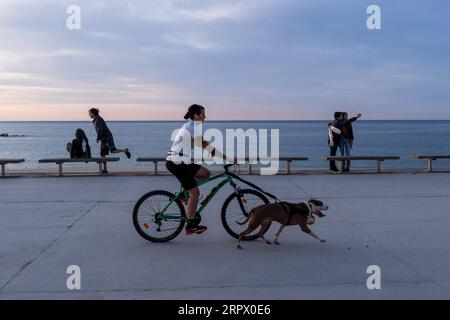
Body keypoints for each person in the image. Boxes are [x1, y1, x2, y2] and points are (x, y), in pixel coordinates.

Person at [165, 104, 232, 235]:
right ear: (196, 116)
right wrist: (226, 158)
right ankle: (190, 226)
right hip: (176, 162)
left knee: (205, 173)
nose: (205, 116)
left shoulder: (191, 126)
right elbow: (205, 145)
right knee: (195, 193)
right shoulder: (191, 127)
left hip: (182, 160)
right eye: (202, 114)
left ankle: (185, 194)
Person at [88, 108, 131, 173]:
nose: (89, 115)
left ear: (93, 113)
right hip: (103, 139)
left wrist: (97, 138)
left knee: (113, 150)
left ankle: (125, 150)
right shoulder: (95, 120)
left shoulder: (99, 119)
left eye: (90, 113)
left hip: (107, 137)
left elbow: (100, 129)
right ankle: (105, 169)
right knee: (103, 154)